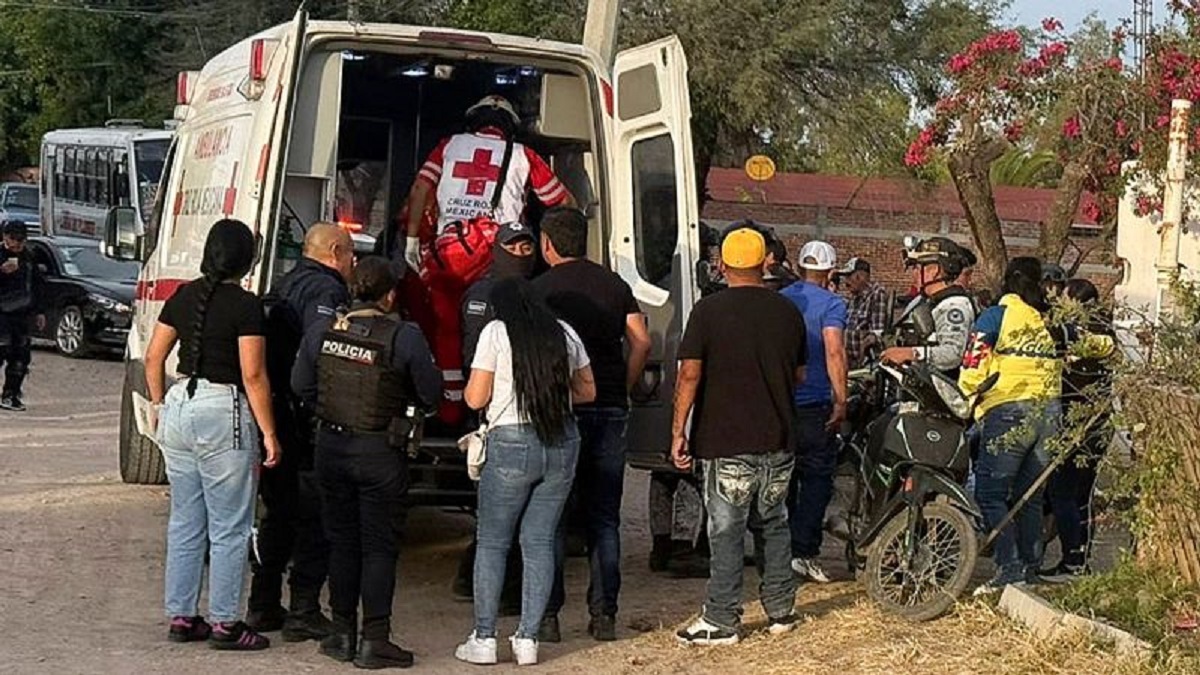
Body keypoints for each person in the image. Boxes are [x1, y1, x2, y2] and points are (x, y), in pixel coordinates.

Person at [291, 256, 442, 669]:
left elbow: (300, 384)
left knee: (342, 542)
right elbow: (431, 394)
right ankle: (375, 639)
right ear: (390, 295)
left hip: (331, 448)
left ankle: (341, 634)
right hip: (379, 452)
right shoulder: (404, 336)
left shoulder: (322, 331)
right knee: (378, 547)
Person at [145, 219, 281, 651]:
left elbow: (153, 357)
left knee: (186, 521)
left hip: (180, 405)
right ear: (246, 259)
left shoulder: (184, 295)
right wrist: (270, 432)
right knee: (230, 526)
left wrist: (158, 404)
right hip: (224, 410)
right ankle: (226, 622)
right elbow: (253, 373)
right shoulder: (245, 305)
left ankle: (182, 616)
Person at [670, 227, 807, 645]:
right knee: (774, 524)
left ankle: (722, 619)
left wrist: (679, 430)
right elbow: (799, 374)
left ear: (723, 265)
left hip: (726, 439)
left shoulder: (708, 311)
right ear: (766, 262)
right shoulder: (788, 312)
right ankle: (781, 610)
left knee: (725, 531)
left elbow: (690, 373)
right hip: (779, 437)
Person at [454, 277, 596, 667]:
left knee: (493, 543)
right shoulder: (564, 333)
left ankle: (484, 637)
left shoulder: (496, 332)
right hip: (562, 439)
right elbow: (588, 391)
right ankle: (528, 638)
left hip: (512, 441)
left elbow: (475, 397)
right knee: (539, 543)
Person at [532, 206, 652, 642]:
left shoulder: (540, 290)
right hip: (609, 409)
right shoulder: (614, 285)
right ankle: (604, 615)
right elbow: (641, 340)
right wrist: (623, 382)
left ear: (547, 244)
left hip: (559, 411)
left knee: (552, 515)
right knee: (604, 517)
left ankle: (547, 616)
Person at [247, 223, 354, 639]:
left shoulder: (284, 282)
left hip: (272, 414)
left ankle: (264, 603)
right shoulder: (327, 291)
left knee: (278, 514)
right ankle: (304, 608)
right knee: (316, 515)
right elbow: (320, 351)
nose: (352, 263)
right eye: (348, 253)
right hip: (302, 420)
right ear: (333, 251)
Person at [960, 257, 1063, 595]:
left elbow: (974, 361)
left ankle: (1008, 569)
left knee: (991, 493)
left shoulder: (996, 316)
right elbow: (1096, 345)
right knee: (1030, 496)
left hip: (1008, 412)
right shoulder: (1049, 321)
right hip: (1050, 414)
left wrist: (965, 396)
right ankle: (1030, 570)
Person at [452, 221, 537, 605]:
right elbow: (475, 359)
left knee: (512, 510)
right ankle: (485, 586)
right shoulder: (482, 295)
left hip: (530, 412)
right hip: (493, 412)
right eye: (512, 248)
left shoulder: (537, 291)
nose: (519, 255)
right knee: (495, 509)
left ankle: (484, 582)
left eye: (526, 249)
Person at [399, 95, 577, 270]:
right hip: (502, 254)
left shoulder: (449, 144)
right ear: (511, 127)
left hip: (450, 251)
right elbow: (564, 201)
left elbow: (419, 188)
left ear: (474, 120)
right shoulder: (524, 155)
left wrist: (412, 239)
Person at [779, 241, 848, 584]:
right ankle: (803, 551)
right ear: (831, 271)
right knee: (817, 478)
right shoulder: (833, 303)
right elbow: (834, 350)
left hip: (781, 401)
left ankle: (778, 550)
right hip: (816, 401)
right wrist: (841, 398)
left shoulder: (782, 297)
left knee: (784, 477)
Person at [1040, 278, 1114, 582]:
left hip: (1083, 426)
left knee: (1066, 494)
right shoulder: (1096, 330)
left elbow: (1076, 339)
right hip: (1086, 423)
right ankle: (1076, 561)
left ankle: (1074, 562)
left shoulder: (1094, 333)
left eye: (1065, 300)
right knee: (1075, 495)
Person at [882, 237, 976, 377]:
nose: (914, 274)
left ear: (934, 270)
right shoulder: (932, 302)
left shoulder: (953, 305)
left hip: (945, 395)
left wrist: (911, 353)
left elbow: (953, 353)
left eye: (917, 267)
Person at [0, 220, 45, 411]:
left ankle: (11, 394)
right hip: (1, 314)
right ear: (4, 237)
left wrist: (39, 311)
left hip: (22, 314)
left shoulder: (29, 257)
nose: (16, 244)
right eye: (12, 239)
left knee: (20, 357)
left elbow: (37, 285)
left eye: (20, 240)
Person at [837, 257, 889, 368]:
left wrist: (861, 357)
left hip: (865, 364)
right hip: (848, 362)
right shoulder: (854, 299)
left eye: (848, 277)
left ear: (860, 276)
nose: (846, 282)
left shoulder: (876, 294)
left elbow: (878, 334)